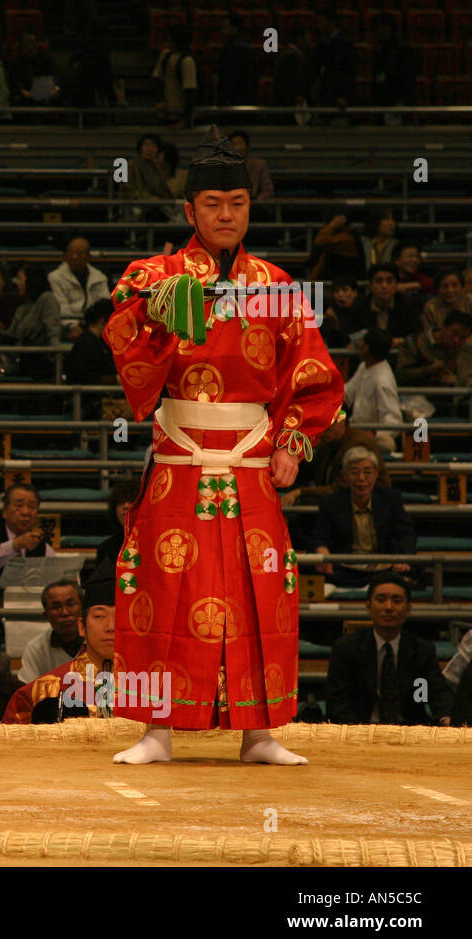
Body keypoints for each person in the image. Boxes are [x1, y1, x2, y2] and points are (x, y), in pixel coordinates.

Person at [103, 126, 344, 765]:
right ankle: (156, 731)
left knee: (258, 588)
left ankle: (258, 734)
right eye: (213, 204)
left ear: (249, 208)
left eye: (237, 203)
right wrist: (155, 313)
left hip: (253, 460)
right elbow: (120, 326)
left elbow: (314, 375)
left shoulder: (278, 286)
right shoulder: (155, 274)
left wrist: (293, 442)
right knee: (162, 580)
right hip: (180, 457)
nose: (227, 215)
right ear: (190, 211)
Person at [326, 572, 452, 725]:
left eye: (397, 600)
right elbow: (338, 704)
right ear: (368, 607)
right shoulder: (346, 649)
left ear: (409, 609)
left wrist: (446, 718)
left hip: (409, 733)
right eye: (381, 600)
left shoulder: (422, 650)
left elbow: (434, 693)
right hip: (360, 732)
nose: (389, 607)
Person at [5, 576, 119, 724]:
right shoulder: (41, 692)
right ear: (81, 626)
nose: (110, 626)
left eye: (119, 616)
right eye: (99, 616)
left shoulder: (153, 685)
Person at [311, 446, 416, 589]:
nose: (361, 479)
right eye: (354, 472)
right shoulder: (331, 503)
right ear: (345, 476)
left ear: (376, 474)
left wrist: (403, 557)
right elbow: (319, 536)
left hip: (384, 566)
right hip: (346, 567)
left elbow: (406, 533)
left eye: (367, 472)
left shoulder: (391, 499)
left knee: (417, 572)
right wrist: (321, 549)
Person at [343, 329, 403, 452]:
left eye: (362, 343)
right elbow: (346, 393)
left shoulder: (383, 380)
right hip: (355, 427)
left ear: (366, 348)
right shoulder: (365, 366)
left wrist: (375, 434)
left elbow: (394, 420)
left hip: (370, 434)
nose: (359, 345)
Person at [16, 580, 84, 683]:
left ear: (83, 608)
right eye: (56, 607)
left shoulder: (100, 641)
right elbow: (28, 693)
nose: (65, 612)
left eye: (70, 604)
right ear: (46, 616)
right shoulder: (36, 649)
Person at [395, 310, 471, 388]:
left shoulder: (465, 350)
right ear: (443, 327)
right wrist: (429, 369)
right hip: (415, 394)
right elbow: (401, 375)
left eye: (463, 337)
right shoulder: (413, 342)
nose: (456, 340)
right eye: (453, 333)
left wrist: (456, 380)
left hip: (452, 395)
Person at [359, 263, 420, 343]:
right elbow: (352, 335)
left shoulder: (408, 304)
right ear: (371, 286)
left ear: (396, 285)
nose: (384, 286)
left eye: (389, 281)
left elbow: (417, 336)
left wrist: (399, 341)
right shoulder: (361, 304)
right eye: (379, 281)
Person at [151, 26, 198, 128]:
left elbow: (190, 92)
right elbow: (157, 79)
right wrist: (160, 100)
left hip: (178, 116)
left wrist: (185, 120)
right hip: (165, 113)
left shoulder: (187, 61)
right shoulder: (165, 55)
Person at [67, 299, 118, 385]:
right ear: (102, 320)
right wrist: (114, 379)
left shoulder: (103, 342)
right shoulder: (86, 343)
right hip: (89, 395)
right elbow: (85, 377)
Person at [215, 15, 255, 107]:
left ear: (235, 28)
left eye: (225, 27)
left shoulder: (232, 49)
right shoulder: (244, 46)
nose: (222, 30)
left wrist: (227, 97)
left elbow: (230, 76)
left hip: (235, 99)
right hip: (243, 97)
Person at [227, 129, 273, 204]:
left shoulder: (260, 164)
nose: (237, 148)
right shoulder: (225, 166)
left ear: (247, 146)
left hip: (254, 204)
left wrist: (256, 202)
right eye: (234, 144)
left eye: (240, 143)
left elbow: (267, 190)